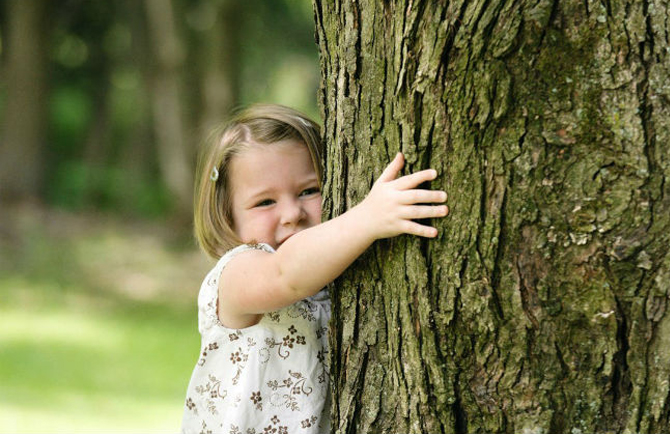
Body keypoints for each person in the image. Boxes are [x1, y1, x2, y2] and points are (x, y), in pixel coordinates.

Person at [181, 104, 449, 433]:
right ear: (227, 216)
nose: (292, 213)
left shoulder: (331, 275)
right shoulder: (236, 275)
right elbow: (287, 275)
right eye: (265, 201)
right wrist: (367, 219)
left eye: (309, 191)